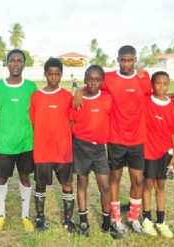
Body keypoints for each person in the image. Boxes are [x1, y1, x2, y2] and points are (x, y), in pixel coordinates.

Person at [73, 45, 174, 237]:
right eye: (122, 60)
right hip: (115, 139)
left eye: (130, 60)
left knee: (138, 180)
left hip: (137, 139)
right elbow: (93, 85)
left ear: (135, 60)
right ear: (117, 60)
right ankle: (116, 219)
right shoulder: (110, 78)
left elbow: (156, 92)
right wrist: (79, 90)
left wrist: (173, 95)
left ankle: (133, 218)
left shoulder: (143, 78)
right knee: (114, 178)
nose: (126, 64)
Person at [70, 65, 119, 238]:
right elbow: (71, 123)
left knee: (105, 187)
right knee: (82, 183)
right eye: (90, 79)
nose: (93, 83)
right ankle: (84, 223)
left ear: (102, 82)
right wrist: (78, 91)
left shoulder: (107, 98)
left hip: (99, 149)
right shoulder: (78, 98)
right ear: (85, 80)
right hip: (80, 146)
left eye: (97, 80)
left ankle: (107, 224)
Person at [0, 49, 37, 233]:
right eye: (12, 60)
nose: (16, 64)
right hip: (4, 142)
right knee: (2, 178)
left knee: (25, 178)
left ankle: (25, 217)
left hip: (26, 142)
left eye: (19, 61)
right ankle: (1, 215)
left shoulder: (31, 87)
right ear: (7, 63)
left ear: (24, 64)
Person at [29, 58, 76, 232]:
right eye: (50, 74)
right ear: (45, 74)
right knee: (40, 184)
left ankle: (68, 219)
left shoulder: (67, 96)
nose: (54, 78)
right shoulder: (37, 97)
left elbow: (71, 120)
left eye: (57, 74)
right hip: (43, 150)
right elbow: (34, 121)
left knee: (67, 184)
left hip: (63, 150)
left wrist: (61, 133)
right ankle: (40, 217)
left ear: (61, 75)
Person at [141, 71, 174, 238]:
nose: (161, 87)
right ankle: (146, 219)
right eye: (158, 83)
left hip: (165, 152)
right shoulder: (146, 100)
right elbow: (139, 88)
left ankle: (161, 221)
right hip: (148, 152)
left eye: (165, 84)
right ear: (152, 84)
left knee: (161, 187)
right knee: (147, 186)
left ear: (168, 84)